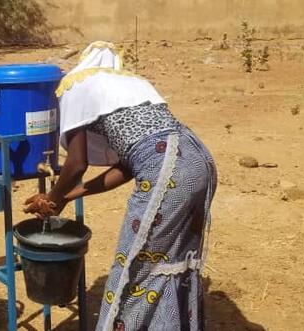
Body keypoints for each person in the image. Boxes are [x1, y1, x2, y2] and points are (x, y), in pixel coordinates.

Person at [24, 41, 217, 331]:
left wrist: (51, 199)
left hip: (168, 168)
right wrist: (69, 196)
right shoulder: (133, 86)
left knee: (134, 266)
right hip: (197, 160)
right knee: (172, 262)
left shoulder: (76, 85)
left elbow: (76, 163)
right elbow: (126, 168)